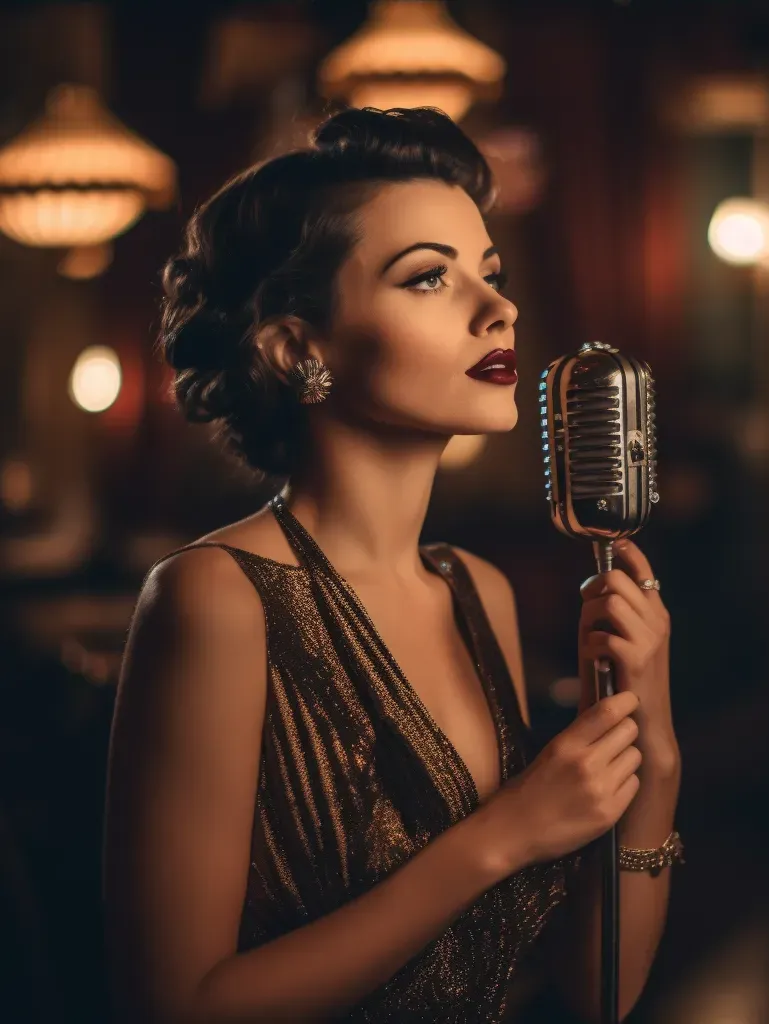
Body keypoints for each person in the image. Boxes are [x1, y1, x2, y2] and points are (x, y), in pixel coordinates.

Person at [103, 106, 682, 1023]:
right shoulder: (215, 598)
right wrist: (503, 836)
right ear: (300, 349)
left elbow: (596, 992)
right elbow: (176, 1005)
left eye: (489, 274)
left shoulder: (476, 589)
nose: (501, 308)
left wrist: (655, 755)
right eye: (428, 279)